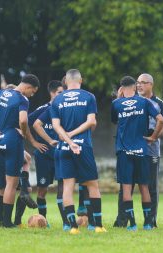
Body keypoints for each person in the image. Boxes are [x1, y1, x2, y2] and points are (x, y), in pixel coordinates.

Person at [0, 74, 46, 228]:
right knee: (11, 184)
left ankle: (2, 220)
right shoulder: (22, 99)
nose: (32, 94)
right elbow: (23, 120)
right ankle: (8, 222)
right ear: (28, 87)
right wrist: (23, 132)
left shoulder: (3, 93)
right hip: (13, 141)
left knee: (3, 187)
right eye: (33, 91)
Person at [51, 69, 106, 234]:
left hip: (63, 148)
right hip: (83, 146)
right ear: (81, 80)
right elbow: (91, 121)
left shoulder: (57, 99)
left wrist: (68, 139)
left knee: (67, 186)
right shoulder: (89, 96)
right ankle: (98, 226)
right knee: (92, 185)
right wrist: (74, 137)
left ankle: (73, 227)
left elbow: (55, 126)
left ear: (66, 82)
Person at [111, 76, 163, 231]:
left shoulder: (116, 104)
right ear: (135, 87)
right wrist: (153, 137)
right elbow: (160, 120)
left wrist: (119, 98)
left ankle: (132, 224)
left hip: (123, 151)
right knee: (144, 188)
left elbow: (115, 121)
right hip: (141, 151)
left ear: (121, 88)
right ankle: (148, 223)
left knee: (126, 189)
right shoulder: (145, 102)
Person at [31, 80, 76, 229]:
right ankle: (42, 220)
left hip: (61, 154)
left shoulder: (65, 109)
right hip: (44, 156)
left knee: (63, 187)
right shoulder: (43, 109)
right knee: (42, 190)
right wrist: (35, 143)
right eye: (59, 93)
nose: (62, 95)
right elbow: (26, 123)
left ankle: (66, 222)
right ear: (51, 93)